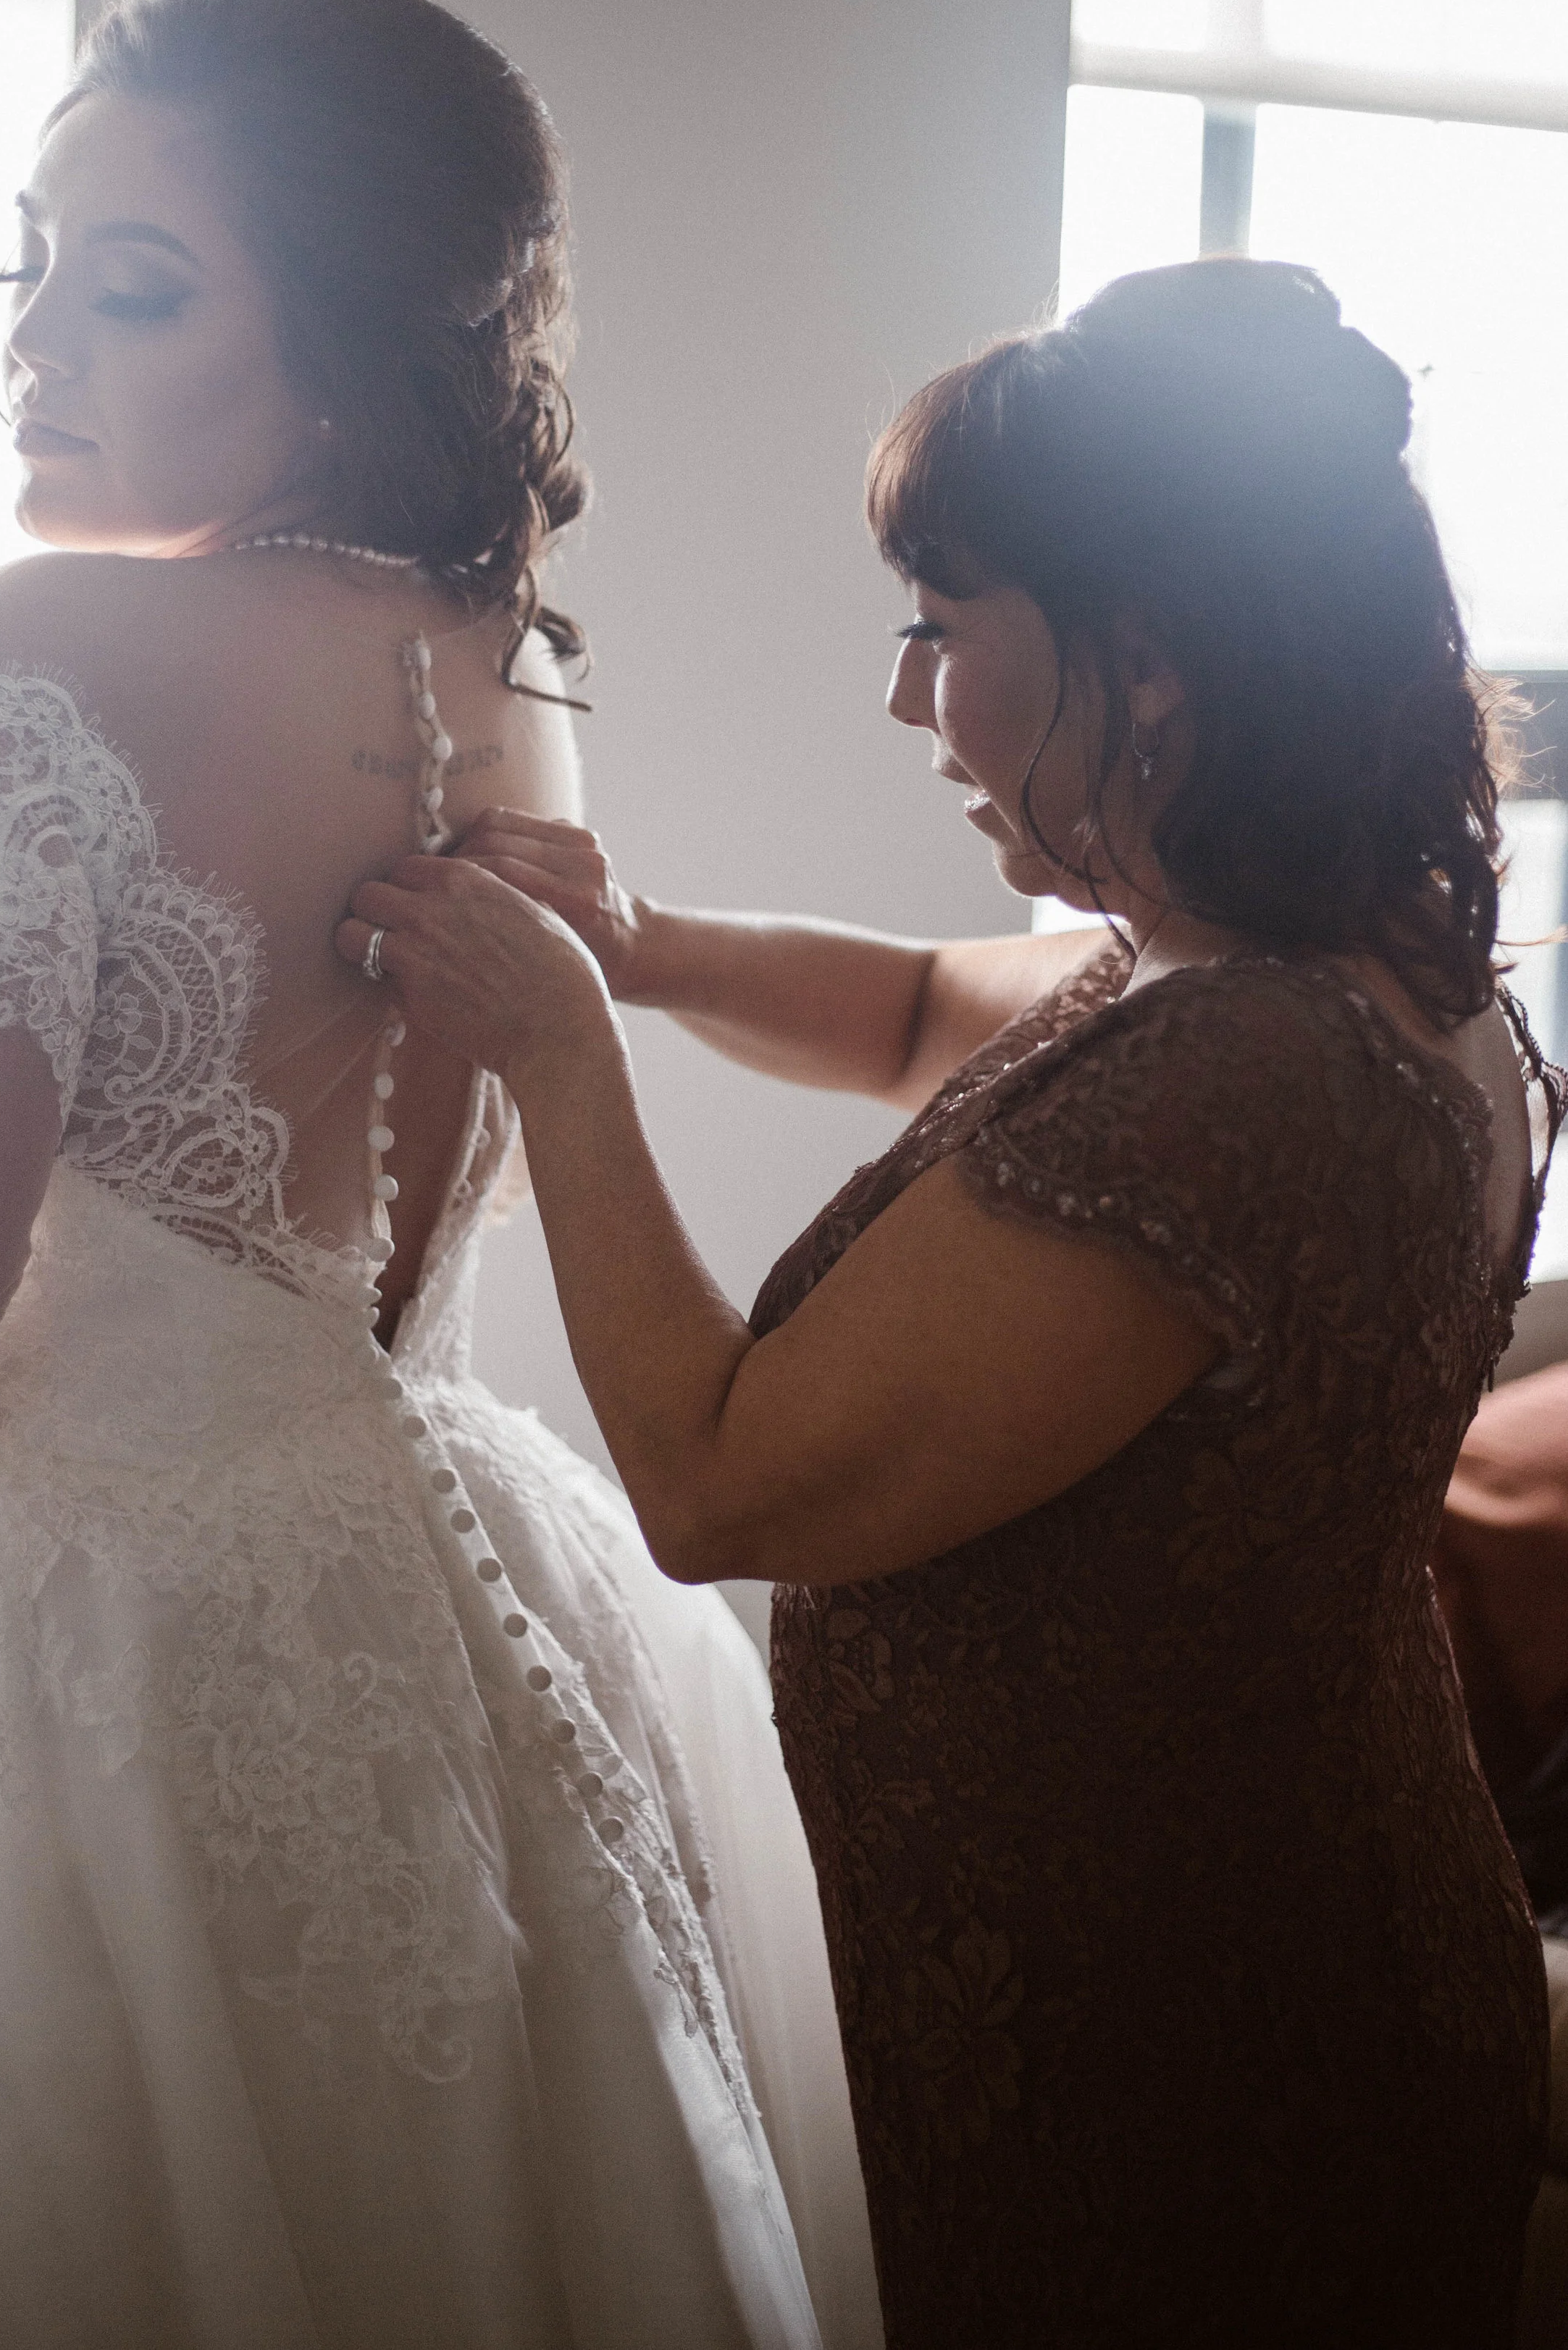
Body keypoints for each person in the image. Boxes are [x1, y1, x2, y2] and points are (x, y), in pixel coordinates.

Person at [0, 0, 880, 2350]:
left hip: (88, 1668)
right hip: (441, 1591)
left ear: (355, 340)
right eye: (26, 264)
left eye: (133, 284)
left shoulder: (36, 643)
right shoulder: (510, 666)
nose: (34, 342)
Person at [344, 259, 1561, 2348]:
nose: (905, 701)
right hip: (1269, 1926)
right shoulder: (1317, 965)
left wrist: (561, 1057)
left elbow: (719, 1480)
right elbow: (919, 1005)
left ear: (1149, 655)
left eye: (939, 627)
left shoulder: (1238, 1075)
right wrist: (637, 939)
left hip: (1178, 2045)